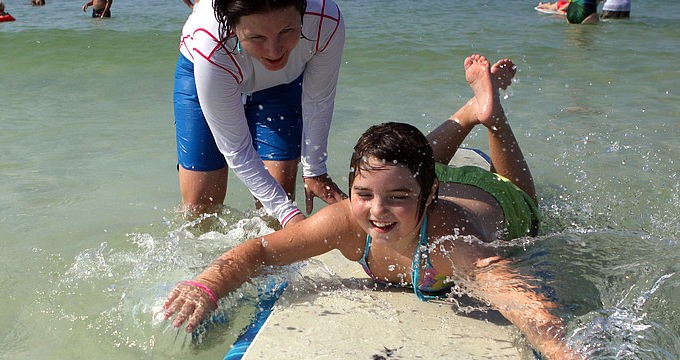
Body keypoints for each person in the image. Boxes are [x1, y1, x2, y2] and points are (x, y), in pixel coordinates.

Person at [162, 54, 580, 359]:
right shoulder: (346, 220)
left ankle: (492, 117)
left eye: (396, 200)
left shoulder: (452, 242)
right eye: (362, 195)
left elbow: (530, 309)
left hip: (492, 198)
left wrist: (561, 351)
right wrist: (207, 285)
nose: (377, 211)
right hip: (431, 184)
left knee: (526, 202)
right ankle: (470, 112)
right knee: (402, 166)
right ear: (350, 190)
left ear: (428, 197)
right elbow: (262, 251)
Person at [173, 0, 347, 229]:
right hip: (207, 70)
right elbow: (236, 148)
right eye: (257, 37)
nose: (274, 51)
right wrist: (289, 215)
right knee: (200, 210)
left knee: (274, 214)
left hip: (281, 86)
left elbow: (318, 101)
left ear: (302, 15)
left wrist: (315, 171)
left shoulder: (326, 19)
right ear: (233, 27)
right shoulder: (211, 41)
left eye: (286, 31)